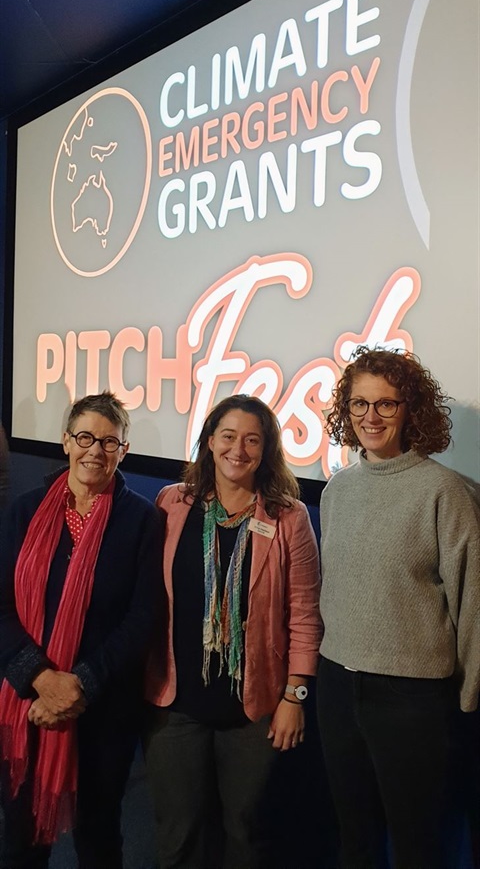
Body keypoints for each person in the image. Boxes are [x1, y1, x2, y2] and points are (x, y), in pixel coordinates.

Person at [317, 347, 480, 869]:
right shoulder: (337, 490)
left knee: (416, 848)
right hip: (338, 686)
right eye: (359, 404)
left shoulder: (446, 492)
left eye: (385, 405)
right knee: (354, 839)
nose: (370, 417)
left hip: (411, 699)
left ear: (411, 410)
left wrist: (471, 700)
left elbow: (473, 602)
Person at [144, 393, 321, 869]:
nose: (237, 449)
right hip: (175, 705)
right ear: (208, 441)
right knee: (177, 836)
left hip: (256, 707)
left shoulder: (288, 517)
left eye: (251, 440)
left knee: (247, 834)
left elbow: (304, 613)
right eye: (227, 436)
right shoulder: (172, 505)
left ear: (266, 451)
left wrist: (295, 696)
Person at [0, 391, 164, 869]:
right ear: (66, 442)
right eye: (85, 437)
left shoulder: (142, 520)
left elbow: (142, 619)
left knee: (99, 836)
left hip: (104, 706)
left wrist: (79, 687)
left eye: (109, 441)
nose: (96, 450)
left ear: (124, 451)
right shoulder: (24, 512)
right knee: (20, 841)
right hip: (28, 702)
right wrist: (43, 681)